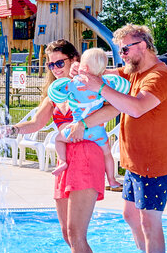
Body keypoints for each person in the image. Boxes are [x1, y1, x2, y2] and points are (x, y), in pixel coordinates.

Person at [74, 24, 167, 253]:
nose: (121, 55)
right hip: (134, 163)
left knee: (149, 221)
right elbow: (110, 73)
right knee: (130, 216)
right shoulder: (134, 71)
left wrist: (99, 87)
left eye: (124, 50)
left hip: (154, 164)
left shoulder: (159, 77)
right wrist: (85, 72)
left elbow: (137, 108)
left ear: (142, 46)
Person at [0, 40, 103, 253]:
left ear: (75, 60)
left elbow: (112, 94)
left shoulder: (89, 86)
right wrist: (12, 129)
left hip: (86, 154)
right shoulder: (54, 95)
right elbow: (37, 123)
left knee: (76, 232)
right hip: (64, 159)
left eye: (60, 62)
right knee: (68, 234)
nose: (55, 69)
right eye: (50, 65)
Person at [48, 47, 127, 189]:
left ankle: (62, 161)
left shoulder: (74, 83)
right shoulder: (104, 83)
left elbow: (56, 92)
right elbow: (123, 86)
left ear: (82, 66)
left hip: (75, 129)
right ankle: (112, 180)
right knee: (107, 153)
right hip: (98, 131)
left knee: (58, 139)